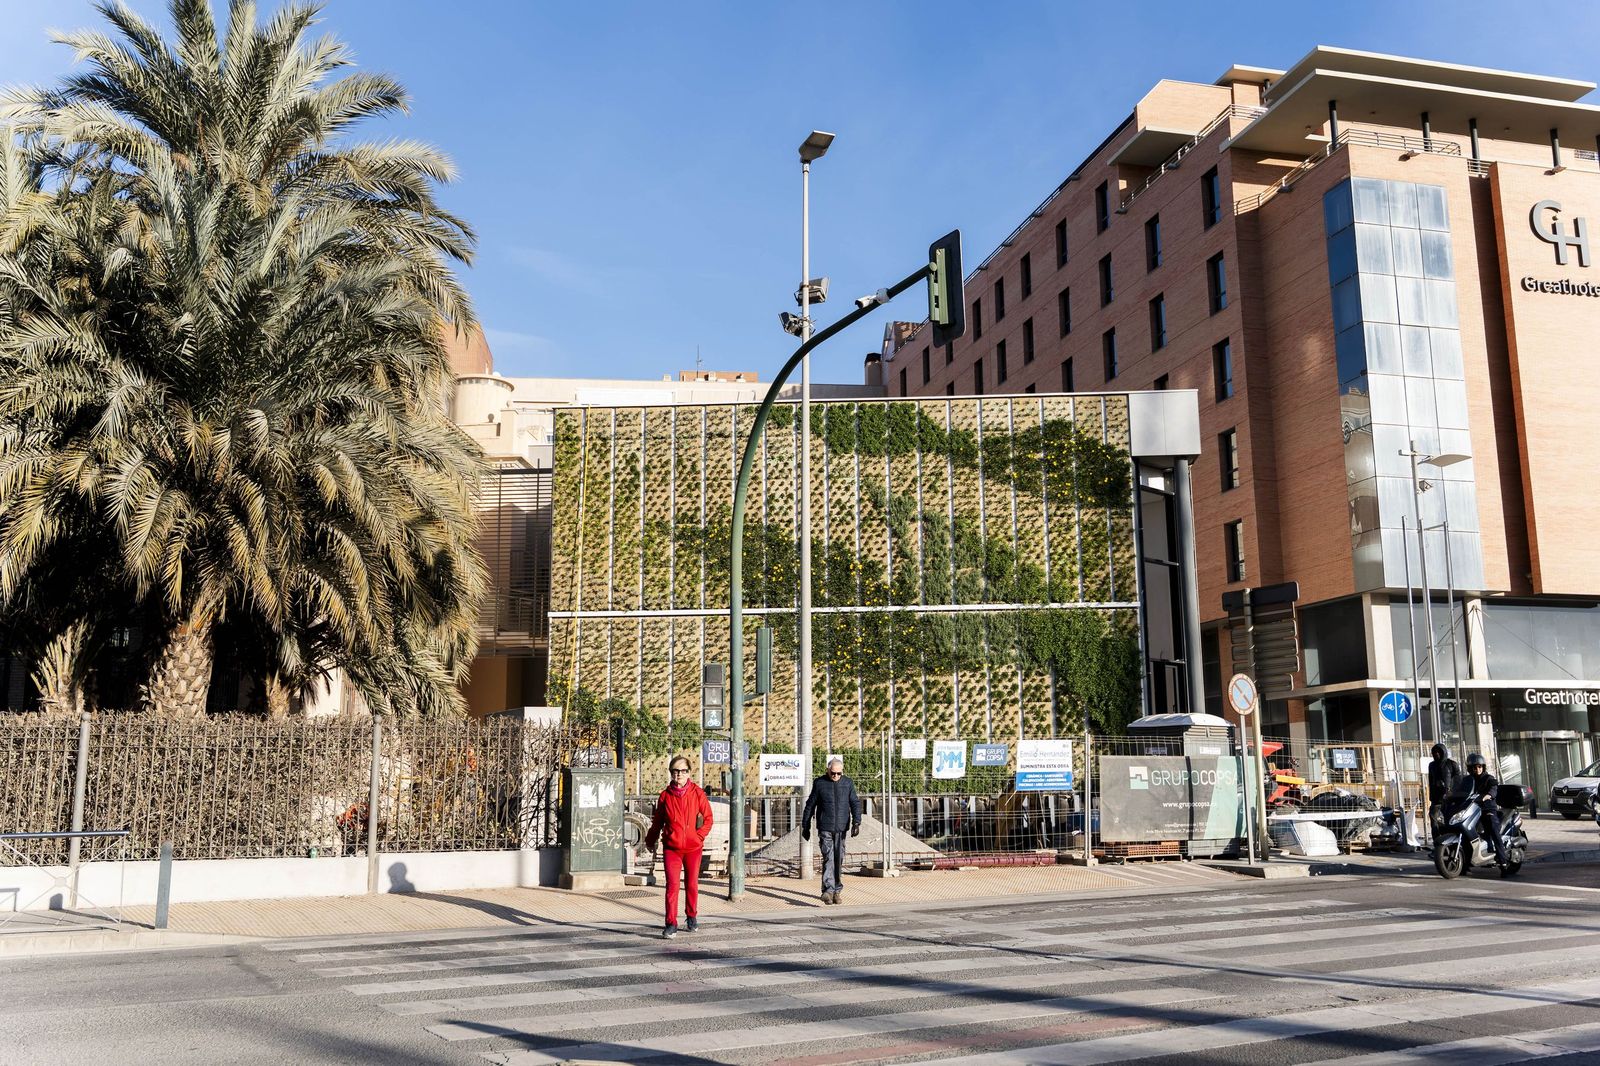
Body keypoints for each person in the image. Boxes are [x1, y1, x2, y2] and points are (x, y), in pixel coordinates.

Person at [644, 756, 712, 938]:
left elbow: (708, 818)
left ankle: (691, 916)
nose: (679, 774)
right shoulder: (665, 796)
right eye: (675, 771)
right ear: (671, 773)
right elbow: (657, 822)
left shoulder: (698, 793)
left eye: (682, 771)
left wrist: (698, 836)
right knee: (672, 886)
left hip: (693, 848)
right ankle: (671, 923)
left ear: (689, 772)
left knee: (691, 884)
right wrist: (650, 841)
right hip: (671, 849)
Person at [800, 756, 861, 905]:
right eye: (833, 773)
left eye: (838, 773)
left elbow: (855, 802)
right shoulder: (819, 783)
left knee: (838, 859)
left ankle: (837, 891)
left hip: (841, 828)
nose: (835, 776)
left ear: (842, 772)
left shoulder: (847, 783)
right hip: (825, 827)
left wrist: (857, 822)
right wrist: (805, 825)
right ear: (828, 770)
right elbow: (810, 805)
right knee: (829, 857)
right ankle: (828, 890)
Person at [1450, 752, 1507, 867]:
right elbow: (1459, 790)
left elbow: (1493, 789)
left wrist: (1487, 796)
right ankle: (1465, 864)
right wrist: (1451, 796)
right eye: (1474, 767)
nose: (1477, 769)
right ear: (1470, 769)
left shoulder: (1488, 778)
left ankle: (1503, 860)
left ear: (1483, 767)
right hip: (1472, 810)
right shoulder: (1466, 780)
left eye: (1479, 766)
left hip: (1487, 808)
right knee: (1464, 830)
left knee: (1492, 826)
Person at [1427, 743, 1461, 829]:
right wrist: (1432, 797)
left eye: (1439, 752)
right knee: (1434, 820)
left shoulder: (1452, 764)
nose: (1436, 754)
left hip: (1450, 798)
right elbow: (1431, 781)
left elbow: (1458, 780)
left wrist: (1453, 793)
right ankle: (1436, 839)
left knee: (1449, 819)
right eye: (1434, 752)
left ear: (1443, 752)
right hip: (1436, 799)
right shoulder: (1432, 765)